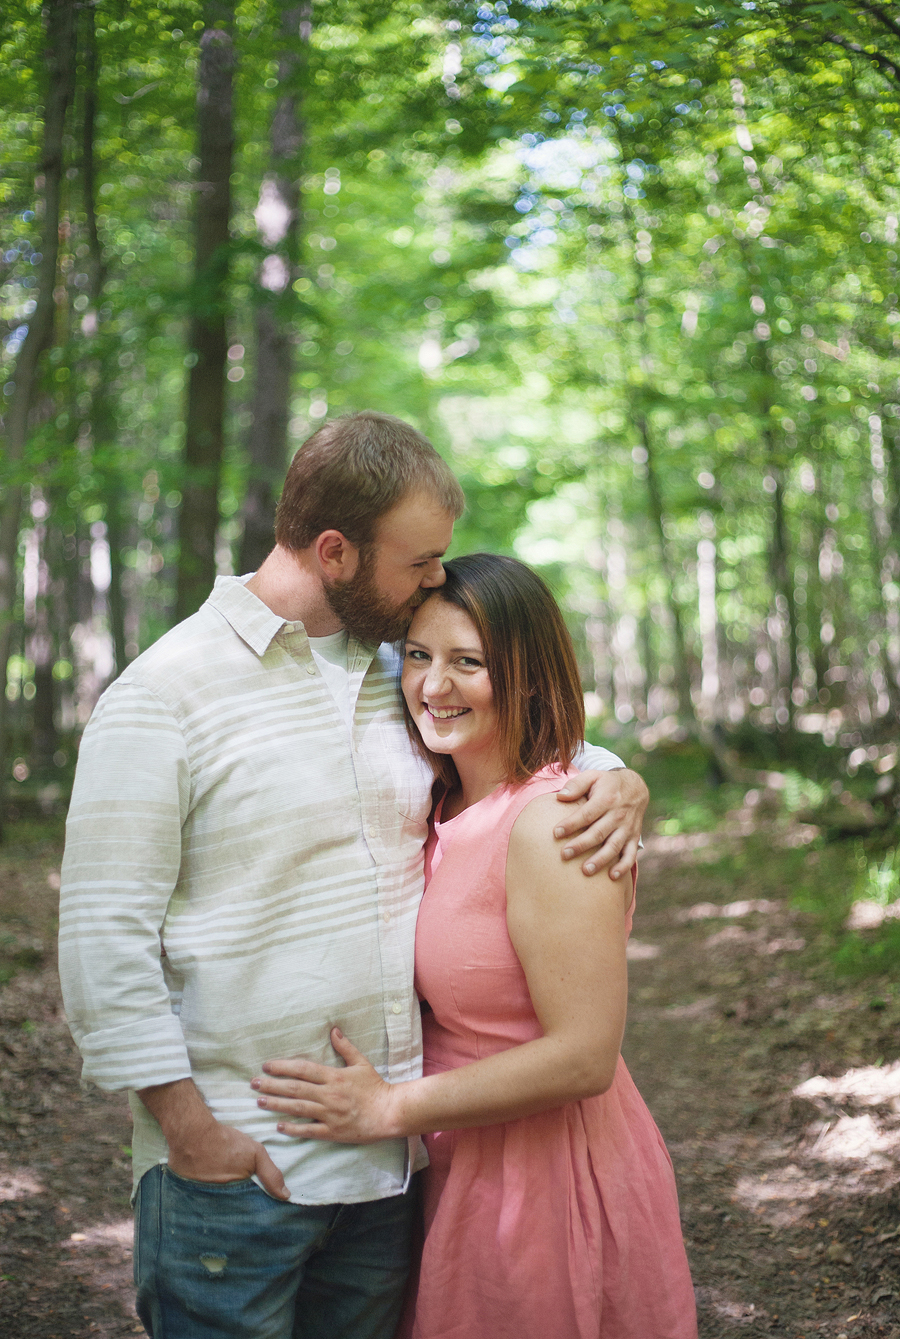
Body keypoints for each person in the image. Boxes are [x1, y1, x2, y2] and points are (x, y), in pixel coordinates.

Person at [58, 413, 649, 1339]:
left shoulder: (389, 670)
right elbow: (101, 942)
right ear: (336, 551)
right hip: (236, 1177)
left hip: (388, 1176)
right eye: (419, 562)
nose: (436, 580)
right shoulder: (162, 696)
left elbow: (512, 737)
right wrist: (189, 1134)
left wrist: (615, 775)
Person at [253, 553, 697, 1339]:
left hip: (546, 1181)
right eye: (419, 657)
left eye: (469, 663)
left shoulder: (557, 822)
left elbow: (585, 1056)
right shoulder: (438, 803)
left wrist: (389, 1107)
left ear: (526, 676)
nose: (433, 685)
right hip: (459, 1171)